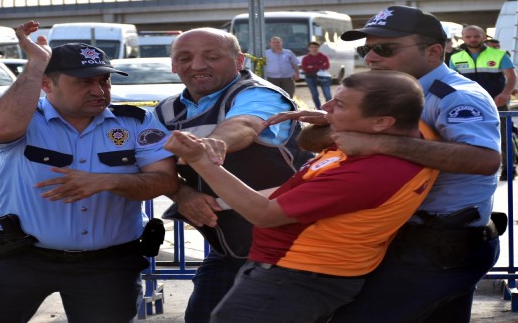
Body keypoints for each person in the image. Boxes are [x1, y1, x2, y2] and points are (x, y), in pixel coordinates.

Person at [267, 5, 502, 323]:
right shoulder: (380, 93)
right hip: (404, 240)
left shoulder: (455, 97)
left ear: (433, 51)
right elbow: (309, 142)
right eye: (366, 48)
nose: (371, 58)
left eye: (385, 48)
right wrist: (338, 122)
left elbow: (484, 160)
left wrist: (379, 141)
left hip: (440, 245)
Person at [164, 70, 440, 323]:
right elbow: (309, 151)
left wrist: (201, 160)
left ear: (382, 122)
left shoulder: (374, 170)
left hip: (296, 278)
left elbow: (264, 215)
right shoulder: (409, 135)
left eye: (340, 106)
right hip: (296, 273)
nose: (325, 108)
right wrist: (333, 121)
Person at [0, 21, 178, 323]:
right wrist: (36, 64)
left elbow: (164, 180)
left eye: (105, 81)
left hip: (108, 263)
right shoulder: (25, 117)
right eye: (84, 82)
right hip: (22, 256)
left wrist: (105, 181)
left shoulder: (136, 121)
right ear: (47, 85)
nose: (98, 90)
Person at [153, 27, 312, 323]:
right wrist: (182, 193)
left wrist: (213, 146)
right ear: (173, 65)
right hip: (229, 251)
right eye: (185, 57)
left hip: (292, 253)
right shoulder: (164, 111)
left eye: (212, 56)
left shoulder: (260, 94)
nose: (198, 65)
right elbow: (153, 167)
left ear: (239, 61)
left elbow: (246, 125)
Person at [450, 25, 518, 181]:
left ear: (484, 37)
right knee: (469, 137)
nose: (473, 39)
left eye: (477, 36)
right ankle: (475, 170)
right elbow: (452, 81)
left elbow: (512, 77)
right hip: (469, 105)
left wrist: (505, 93)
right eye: (469, 37)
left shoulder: (500, 55)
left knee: (503, 137)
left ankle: (509, 169)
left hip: (497, 103)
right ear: (462, 38)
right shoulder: (455, 58)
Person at [301, 41, 332, 109]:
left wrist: (312, 67)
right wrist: (320, 66)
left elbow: (327, 66)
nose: (314, 49)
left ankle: (329, 109)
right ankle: (319, 109)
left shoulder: (323, 57)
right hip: (310, 77)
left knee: (328, 95)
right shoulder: (305, 58)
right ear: (309, 48)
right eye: (312, 47)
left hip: (323, 77)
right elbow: (304, 68)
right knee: (315, 95)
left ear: (318, 48)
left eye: (315, 47)